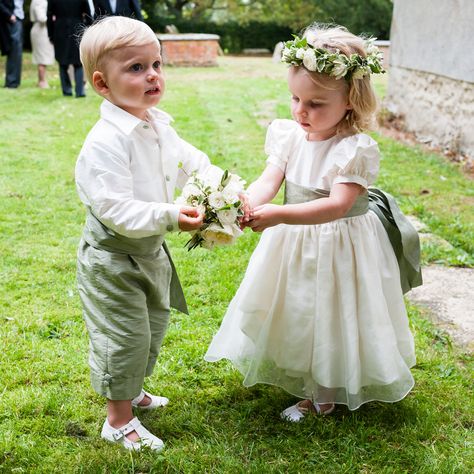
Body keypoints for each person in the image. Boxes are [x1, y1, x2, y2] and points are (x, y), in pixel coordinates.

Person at [205, 24, 422, 421]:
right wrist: (245, 204)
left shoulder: (353, 149)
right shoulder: (289, 136)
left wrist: (278, 216)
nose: (301, 110)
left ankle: (324, 391)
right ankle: (303, 373)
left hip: (340, 245)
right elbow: (269, 181)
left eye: (316, 103)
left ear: (350, 102)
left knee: (332, 309)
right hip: (294, 241)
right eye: (295, 98)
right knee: (298, 305)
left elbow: (337, 206)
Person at [76, 16, 217, 450]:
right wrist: (174, 214)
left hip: (149, 251)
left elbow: (192, 160)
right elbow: (116, 210)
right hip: (113, 258)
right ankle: (118, 419)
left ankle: (132, 389)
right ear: (103, 84)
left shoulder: (157, 125)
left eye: (156, 64)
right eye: (135, 68)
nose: (152, 75)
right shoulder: (105, 143)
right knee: (125, 335)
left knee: (153, 327)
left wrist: (214, 183)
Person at [47, 0, 91, 97]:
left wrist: (50, 34)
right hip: (77, 28)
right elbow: (88, 14)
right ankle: (80, 91)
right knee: (78, 62)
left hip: (60, 29)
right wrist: (89, 31)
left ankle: (67, 90)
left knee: (62, 62)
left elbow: (49, 16)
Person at [29, 0, 54, 88]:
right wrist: (52, 18)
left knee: (42, 56)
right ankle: (42, 82)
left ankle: (41, 80)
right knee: (42, 58)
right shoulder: (39, 1)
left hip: (41, 30)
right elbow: (41, 18)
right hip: (41, 30)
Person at [0, 0, 23, 88]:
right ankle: (11, 82)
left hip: (18, 19)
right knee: (13, 51)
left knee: (17, 52)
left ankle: (15, 81)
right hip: (11, 20)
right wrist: (9, 15)